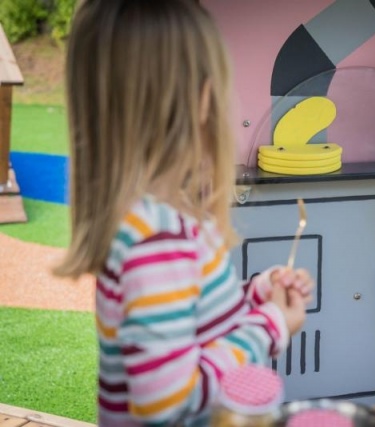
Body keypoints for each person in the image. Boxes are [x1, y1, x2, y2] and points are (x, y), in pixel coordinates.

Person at [54, 1, 313, 426]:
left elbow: (192, 323)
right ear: (201, 99)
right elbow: (165, 402)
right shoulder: (159, 240)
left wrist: (256, 295)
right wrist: (271, 327)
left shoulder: (160, 220)